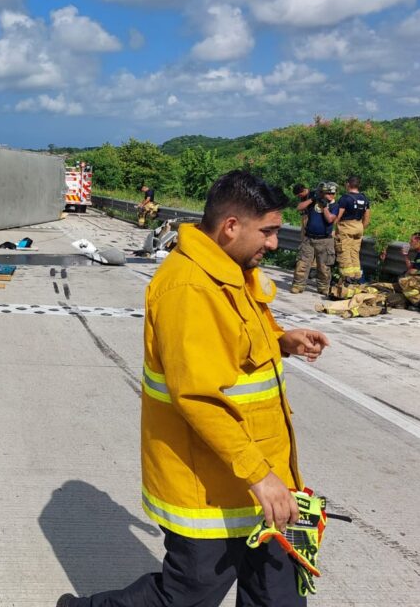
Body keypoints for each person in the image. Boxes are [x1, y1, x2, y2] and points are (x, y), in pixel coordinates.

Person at [56, 170, 329, 607]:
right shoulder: (188, 288)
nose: (274, 244)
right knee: (186, 597)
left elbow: (235, 338)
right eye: (269, 231)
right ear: (231, 227)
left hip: (261, 475)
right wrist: (259, 476)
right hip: (212, 485)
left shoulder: (232, 268)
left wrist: (281, 340)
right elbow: (198, 396)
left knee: (277, 597)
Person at [291, 182, 339, 295]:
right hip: (309, 239)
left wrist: (325, 207)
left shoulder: (335, 205)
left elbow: (330, 220)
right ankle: (298, 285)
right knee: (302, 263)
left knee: (324, 266)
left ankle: (323, 287)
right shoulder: (313, 202)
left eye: (332, 193)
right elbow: (299, 207)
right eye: (327, 193)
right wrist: (312, 199)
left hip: (325, 240)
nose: (330, 195)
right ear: (322, 193)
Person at [334, 176, 371, 283]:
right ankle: (356, 276)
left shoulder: (345, 198)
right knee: (354, 253)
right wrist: (360, 227)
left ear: (348, 184)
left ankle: (348, 278)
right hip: (359, 227)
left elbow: (338, 216)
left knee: (344, 252)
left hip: (346, 227)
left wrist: (333, 228)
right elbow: (367, 217)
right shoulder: (364, 198)